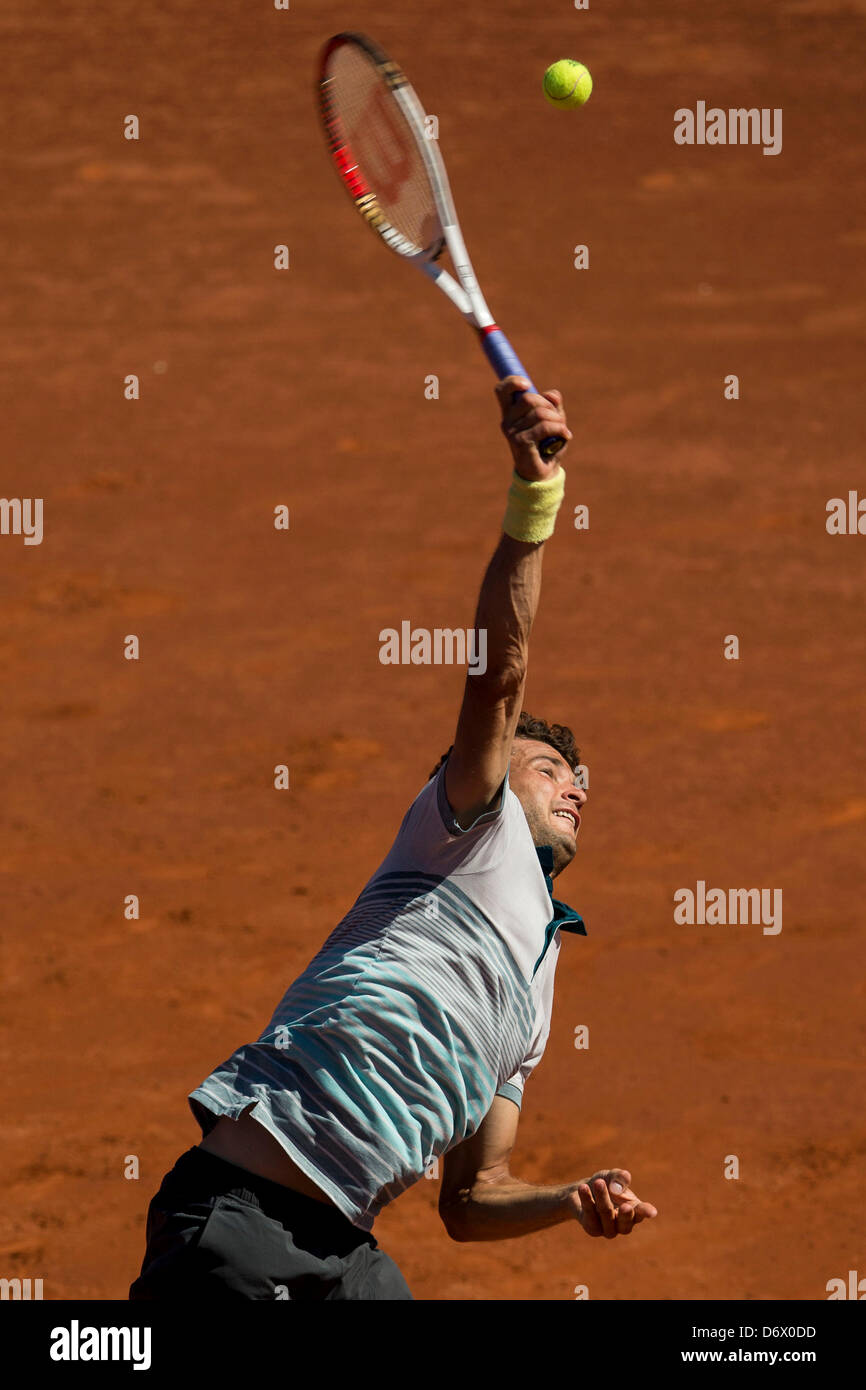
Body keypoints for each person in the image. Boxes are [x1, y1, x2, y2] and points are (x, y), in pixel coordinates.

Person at [129, 376, 658, 1301]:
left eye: (580, 780)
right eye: (547, 769)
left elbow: (472, 1197)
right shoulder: (462, 834)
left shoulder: (533, 994)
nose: (573, 786)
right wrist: (537, 498)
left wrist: (570, 1200)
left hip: (346, 1252)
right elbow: (500, 677)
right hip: (243, 1216)